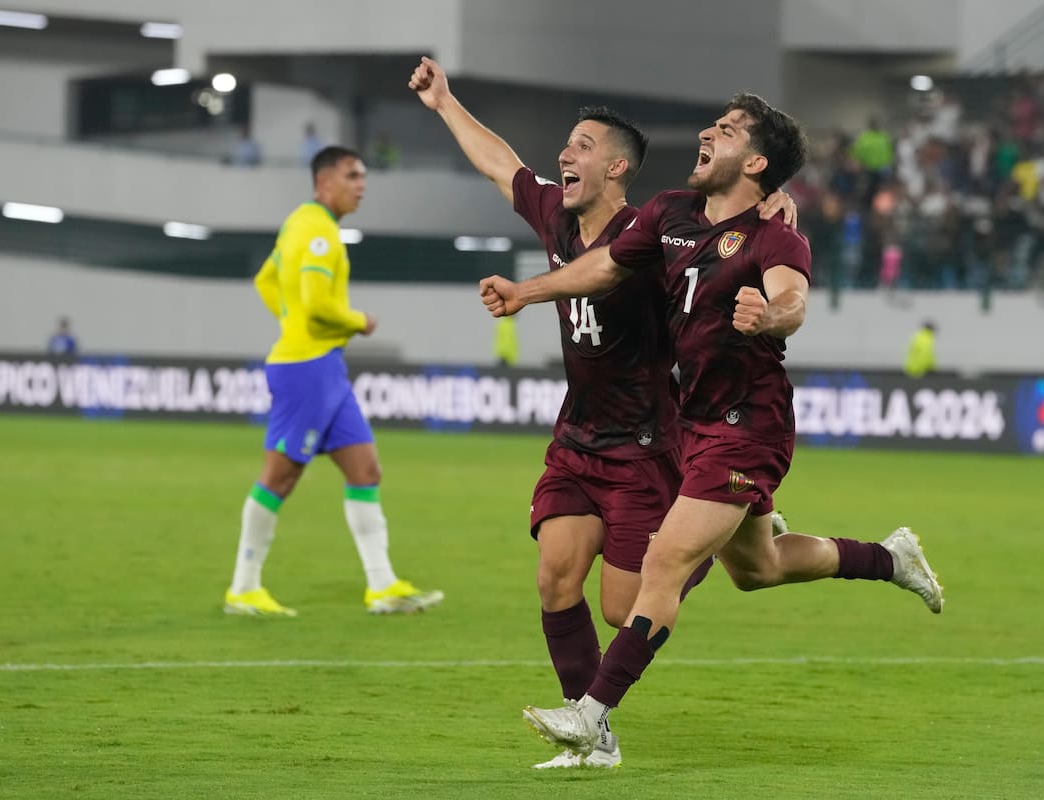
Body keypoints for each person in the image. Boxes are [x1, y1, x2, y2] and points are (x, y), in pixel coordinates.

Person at [479, 92, 944, 758]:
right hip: (693, 422)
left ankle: (592, 718)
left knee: (664, 564)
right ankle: (889, 558)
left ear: (755, 161)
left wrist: (771, 314)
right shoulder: (669, 213)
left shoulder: (775, 233)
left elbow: (792, 297)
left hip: (747, 425)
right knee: (759, 568)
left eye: (724, 130)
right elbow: (606, 266)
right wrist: (527, 291)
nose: (706, 132)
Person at [410, 57, 796, 769]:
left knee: (626, 607)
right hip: (577, 437)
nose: (566, 154)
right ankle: (594, 733)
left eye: (583, 146)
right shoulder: (557, 216)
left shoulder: (651, 238)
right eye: (567, 144)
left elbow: (731, 239)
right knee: (556, 575)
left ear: (618, 168)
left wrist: (770, 215)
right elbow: (503, 166)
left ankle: (713, 536)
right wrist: (444, 103)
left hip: (648, 448)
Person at [223, 145, 443, 617]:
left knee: (365, 470)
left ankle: (382, 587)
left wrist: (293, 321)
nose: (361, 184)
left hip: (322, 367)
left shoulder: (296, 223)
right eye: (352, 176)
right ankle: (243, 588)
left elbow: (266, 280)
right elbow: (320, 304)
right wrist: (357, 320)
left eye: (363, 176)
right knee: (280, 477)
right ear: (325, 183)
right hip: (307, 368)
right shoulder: (321, 233)